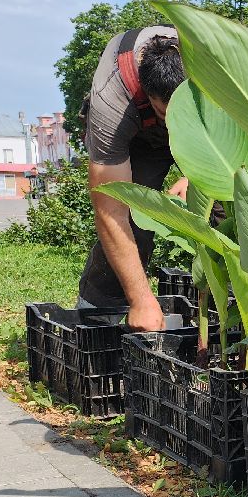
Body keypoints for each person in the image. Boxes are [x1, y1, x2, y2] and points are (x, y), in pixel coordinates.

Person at [78, 27, 188, 330]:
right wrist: (141, 301)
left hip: (203, 137)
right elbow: (110, 211)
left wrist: (193, 175)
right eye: (166, 114)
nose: (174, 125)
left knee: (224, 209)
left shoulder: (215, 70)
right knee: (134, 218)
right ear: (147, 92)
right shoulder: (112, 99)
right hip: (142, 139)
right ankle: (97, 315)